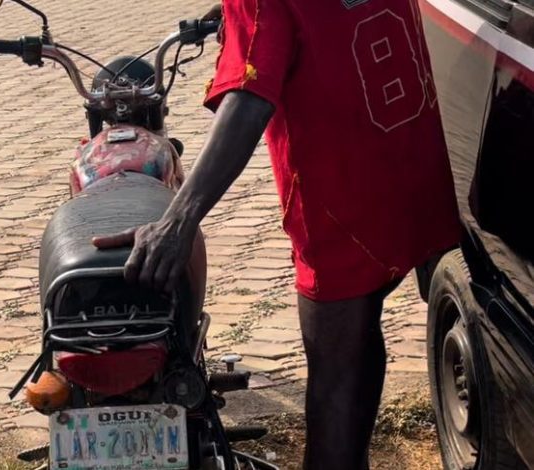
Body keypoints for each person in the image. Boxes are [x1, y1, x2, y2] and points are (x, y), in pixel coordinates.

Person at [93, 0, 461, 468]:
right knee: (359, 338)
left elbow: (249, 98)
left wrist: (179, 219)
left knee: (335, 388)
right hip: (413, 159)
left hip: (340, 204)